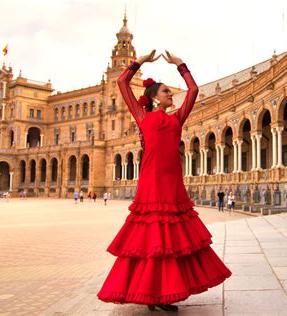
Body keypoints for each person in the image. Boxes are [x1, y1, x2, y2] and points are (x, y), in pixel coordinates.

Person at [97, 50, 232, 312]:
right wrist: (140, 63)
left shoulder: (176, 119)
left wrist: (181, 65)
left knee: (170, 241)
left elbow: (193, 91)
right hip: (151, 183)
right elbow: (122, 83)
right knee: (151, 240)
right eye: (166, 92)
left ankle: (164, 293)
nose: (171, 95)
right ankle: (151, 294)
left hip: (172, 184)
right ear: (153, 98)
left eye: (170, 93)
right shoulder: (142, 116)